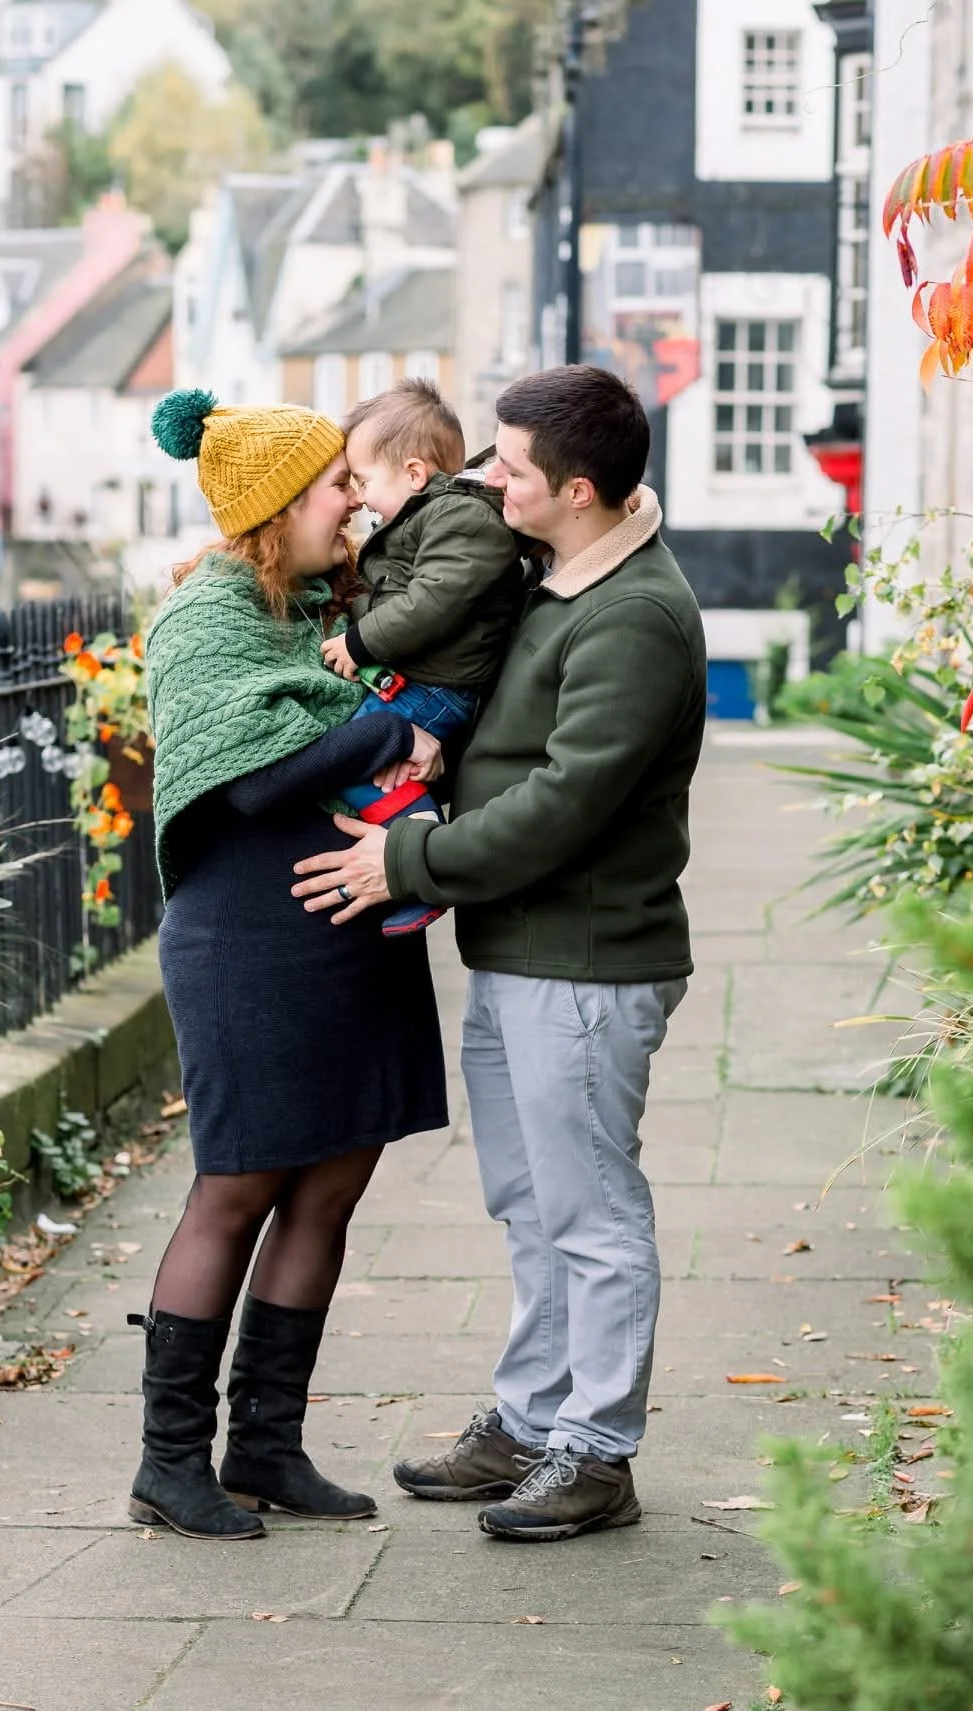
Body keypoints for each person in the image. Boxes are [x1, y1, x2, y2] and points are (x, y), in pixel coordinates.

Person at [293, 364, 707, 1544]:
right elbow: (518, 747)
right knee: (532, 1204)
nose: (485, 478)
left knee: (590, 1210)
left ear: (576, 489)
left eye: (509, 467)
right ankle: (530, 1419)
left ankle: (596, 1450)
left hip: (586, 965)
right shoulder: (560, 573)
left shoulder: (634, 616)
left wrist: (407, 861)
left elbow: (570, 801)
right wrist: (435, 767)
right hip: (525, 949)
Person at [129, 388, 448, 1542]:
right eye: (333, 487)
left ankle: (265, 1445)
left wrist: (393, 728)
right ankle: (171, 1462)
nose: (353, 502)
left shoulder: (320, 604)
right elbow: (256, 775)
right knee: (238, 1185)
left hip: (344, 932)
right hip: (245, 943)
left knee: (331, 1182)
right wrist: (387, 730)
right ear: (272, 509)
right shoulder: (204, 617)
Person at [319, 378, 521, 937]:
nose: (358, 498)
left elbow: (432, 601)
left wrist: (359, 643)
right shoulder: (429, 518)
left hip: (435, 688)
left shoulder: (463, 520)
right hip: (421, 681)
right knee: (372, 766)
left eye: (363, 481)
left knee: (353, 762)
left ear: (413, 473)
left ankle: (418, 846)